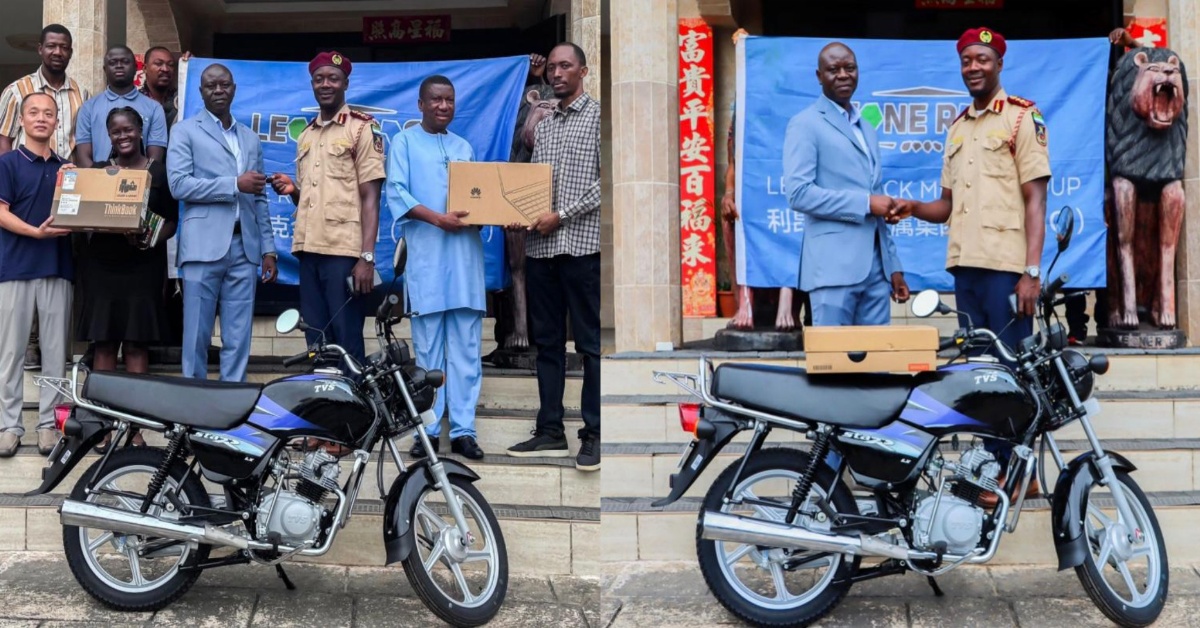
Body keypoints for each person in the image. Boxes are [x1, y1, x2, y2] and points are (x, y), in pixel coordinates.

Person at [891, 27, 1050, 506]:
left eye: (982, 58)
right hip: (965, 271)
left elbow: (1035, 201)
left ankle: (1021, 472)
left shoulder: (1023, 119)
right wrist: (911, 208)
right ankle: (996, 471)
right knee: (980, 378)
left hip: (1006, 271)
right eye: (966, 61)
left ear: (998, 63)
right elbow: (945, 205)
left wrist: (1032, 273)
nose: (973, 67)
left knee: (1013, 374)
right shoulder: (957, 129)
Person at [505, 43, 601, 472]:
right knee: (547, 344)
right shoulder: (541, 124)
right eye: (553, 68)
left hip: (583, 247)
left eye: (566, 66)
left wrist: (560, 215)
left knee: (591, 344)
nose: (557, 73)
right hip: (541, 249)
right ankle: (550, 430)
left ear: (583, 70)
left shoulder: (600, 118)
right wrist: (518, 214)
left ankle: (594, 434)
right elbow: (529, 183)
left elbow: (608, 184)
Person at [386, 75, 485, 461]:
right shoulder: (404, 142)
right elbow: (397, 192)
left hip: (464, 265)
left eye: (449, 100)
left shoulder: (464, 147)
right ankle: (425, 429)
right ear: (421, 104)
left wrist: (492, 213)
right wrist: (438, 219)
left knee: (466, 349)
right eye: (436, 100)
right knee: (427, 353)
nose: (443, 106)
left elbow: (481, 198)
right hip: (427, 262)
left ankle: (463, 430)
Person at [269, 52, 385, 367]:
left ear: (345, 83)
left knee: (347, 341)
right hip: (308, 250)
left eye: (333, 78)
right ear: (312, 84)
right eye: (319, 79)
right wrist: (295, 192)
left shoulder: (361, 129)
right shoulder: (305, 135)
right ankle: (326, 412)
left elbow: (370, 197)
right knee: (316, 341)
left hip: (343, 254)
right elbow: (314, 196)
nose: (325, 84)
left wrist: (367, 257)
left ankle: (357, 413)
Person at [783, 42, 908, 326]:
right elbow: (799, 193)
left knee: (878, 365)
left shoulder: (867, 128)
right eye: (833, 69)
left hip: (877, 273)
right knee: (834, 365)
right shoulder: (805, 124)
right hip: (832, 271)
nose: (843, 75)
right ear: (818, 76)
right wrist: (864, 203)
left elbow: (875, 200)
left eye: (849, 68)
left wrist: (894, 268)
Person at [74, 106, 177, 450]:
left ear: (139, 130)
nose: (123, 136)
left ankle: (134, 428)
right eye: (116, 131)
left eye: (128, 129)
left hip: (142, 268)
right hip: (103, 268)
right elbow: (81, 211)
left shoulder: (158, 172)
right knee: (104, 344)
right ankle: (104, 426)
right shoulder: (100, 172)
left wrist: (151, 237)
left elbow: (173, 221)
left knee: (135, 344)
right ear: (109, 136)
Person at [167, 64, 277, 382]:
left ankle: (233, 408)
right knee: (196, 337)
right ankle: (193, 407)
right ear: (201, 92)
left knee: (238, 338)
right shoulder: (185, 131)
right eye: (211, 85)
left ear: (234, 89)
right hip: (203, 247)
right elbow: (179, 186)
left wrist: (268, 248)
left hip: (245, 247)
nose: (218, 90)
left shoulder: (250, 139)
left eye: (224, 84)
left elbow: (259, 198)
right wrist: (232, 184)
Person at [0, 24, 88, 372]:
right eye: (51, 46)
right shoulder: (17, 90)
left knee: (57, 269)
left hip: (63, 181)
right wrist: (10, 177)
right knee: (12, 348)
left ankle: (52, 352)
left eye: (63, 47)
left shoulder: (79, 92)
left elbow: (80, 144)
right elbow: (4, 139)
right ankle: (30, 346)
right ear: (40, 49)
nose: (57, 52)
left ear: (70, 51)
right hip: (22, 182)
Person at [0, 93, 74, 456]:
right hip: (13, 267)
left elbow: (80, 215)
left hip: (58, 267)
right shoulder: (8, 163)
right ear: (22, 121)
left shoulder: (68, 169)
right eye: (34, 112)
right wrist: (35, 232)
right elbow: (0, 212)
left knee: (56, 354)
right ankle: (8, 426)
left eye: (48, 113)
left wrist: (78, 187)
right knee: (10, 353)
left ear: (57, 122)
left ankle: (50, 425)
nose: (41, 118)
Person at [75, 46, 168, 168]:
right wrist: (101, 179)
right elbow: (83, 157)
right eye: (113, 62)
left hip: (141, 183)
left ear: (136, 68)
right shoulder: (88, 108)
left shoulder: (155, 108)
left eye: (125, 62)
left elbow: (154, 160)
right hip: (99, 182)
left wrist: (136, 183)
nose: (119, 65)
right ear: (105, 69)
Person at [140, 46, 180, 133]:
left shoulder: (180, 102)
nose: (165, 69)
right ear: (145, 68)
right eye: (158, 63)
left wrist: (192, 66)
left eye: (170, 65)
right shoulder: (136, 102)